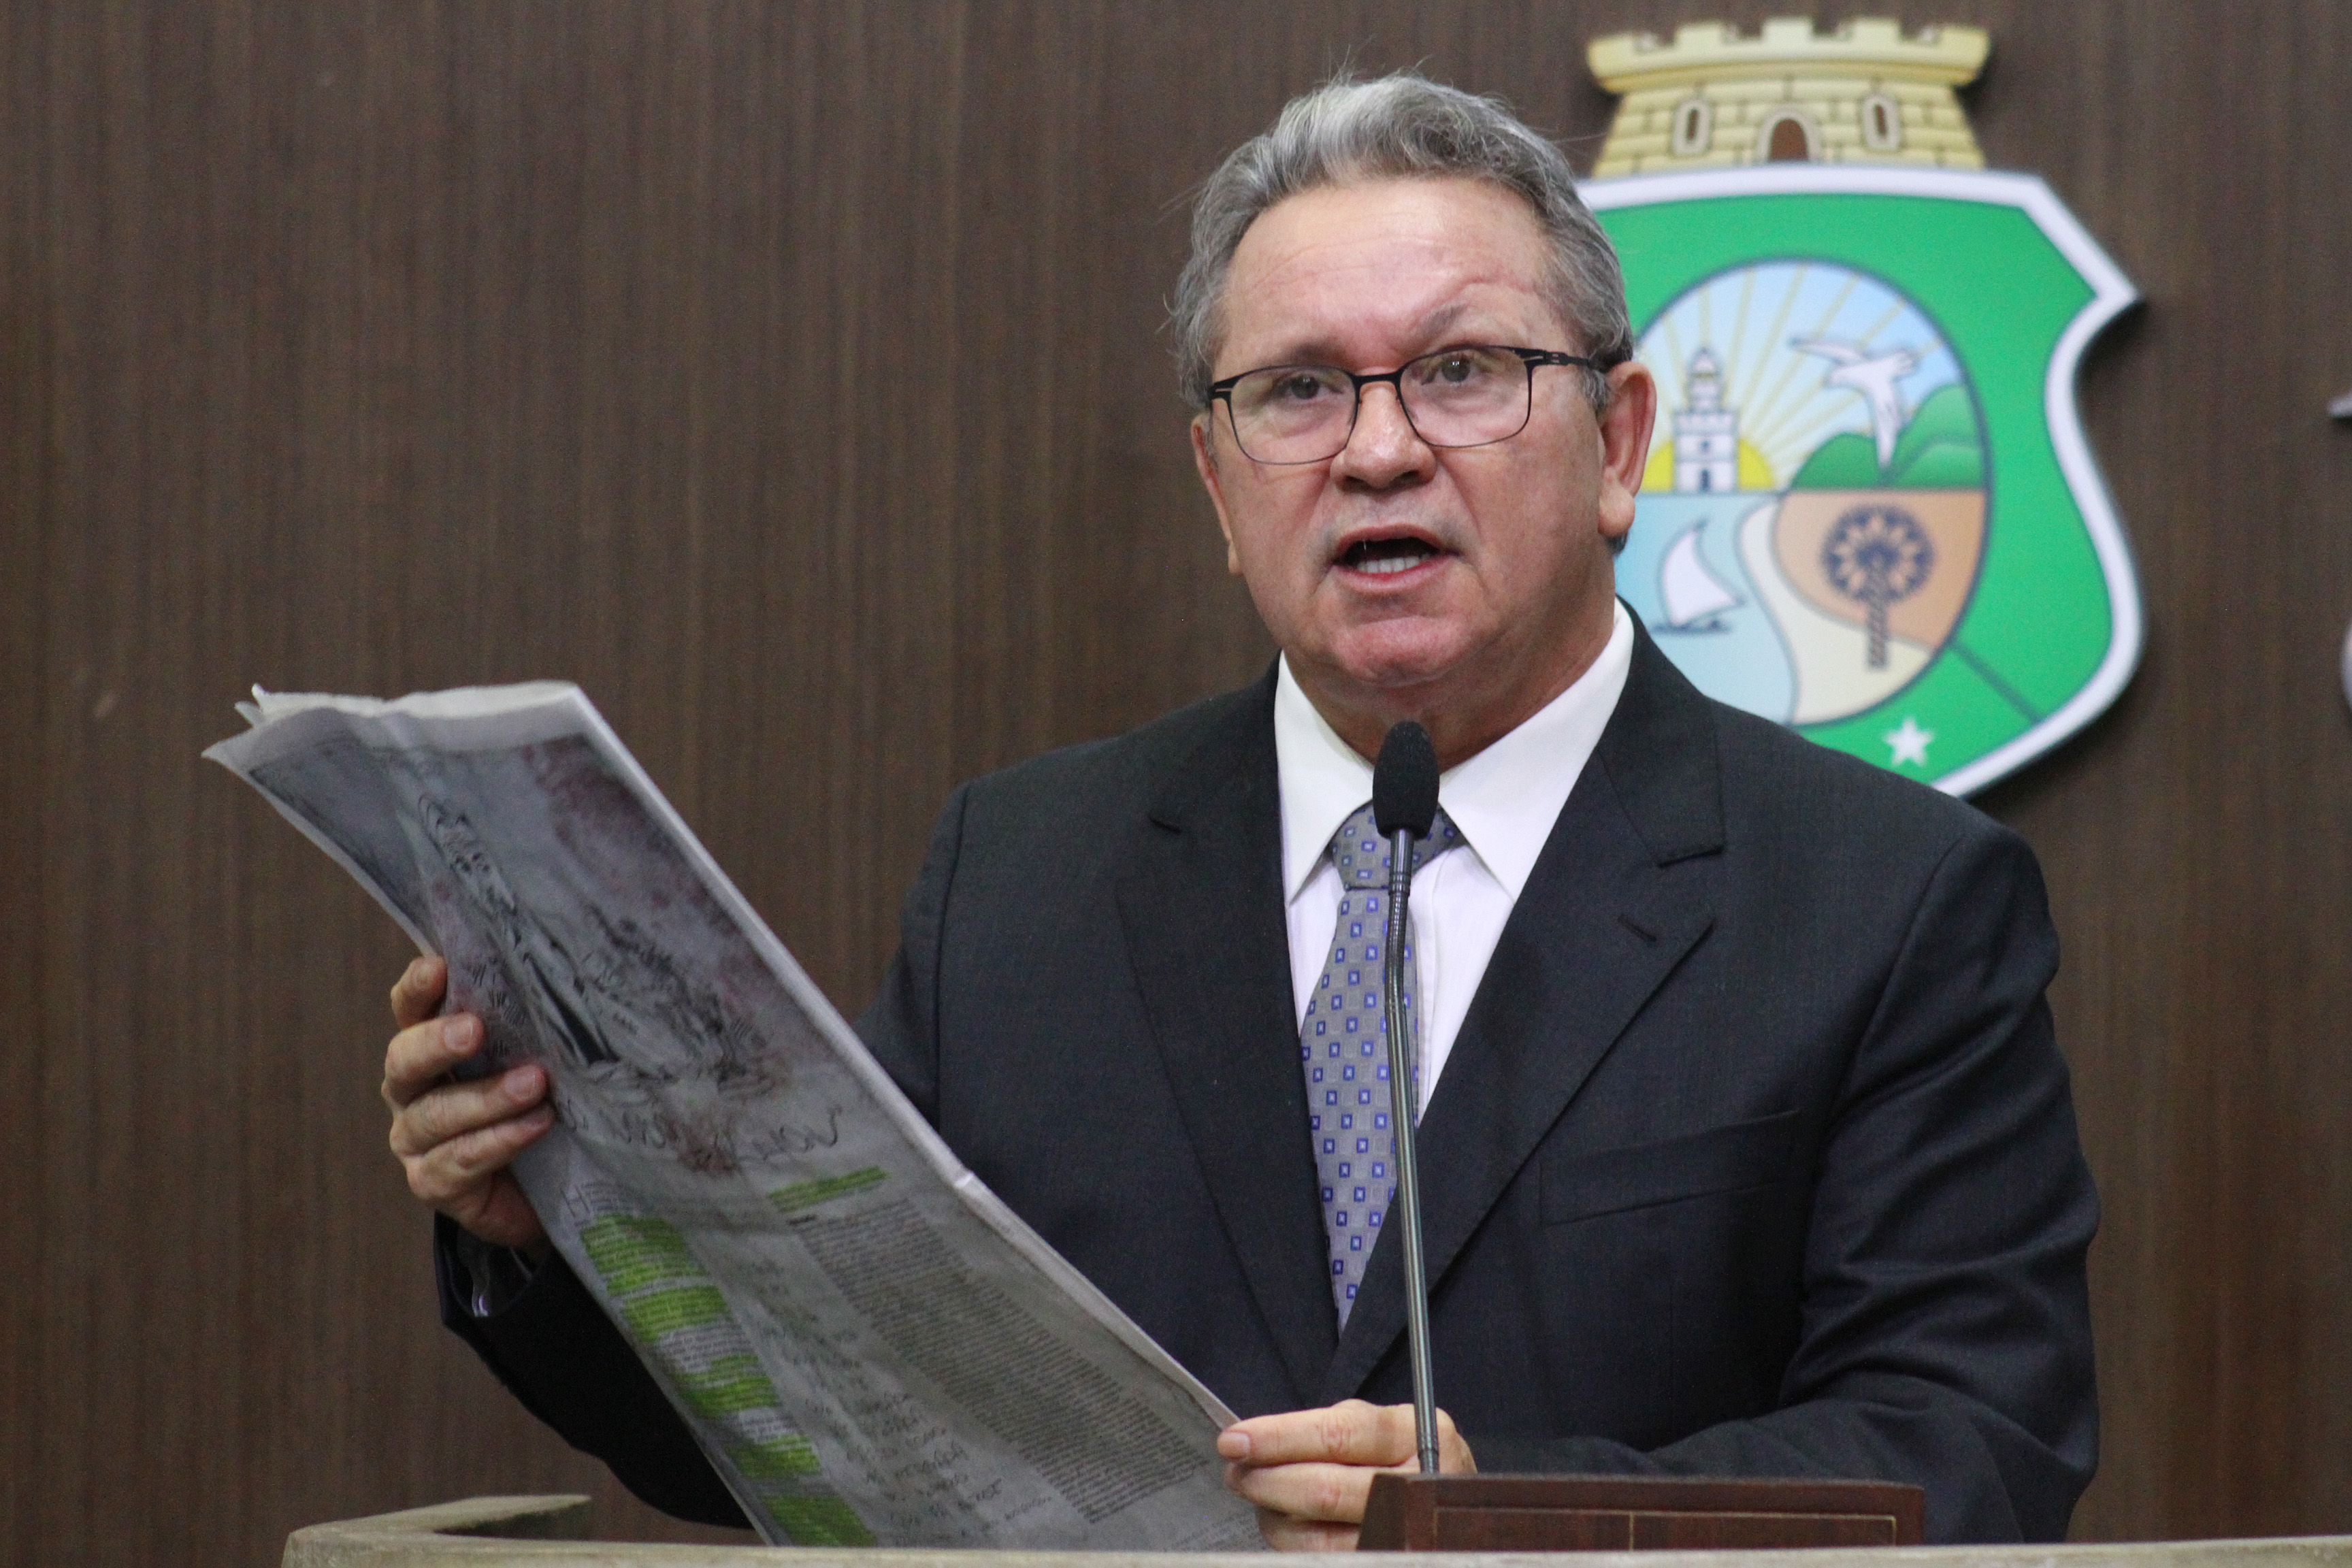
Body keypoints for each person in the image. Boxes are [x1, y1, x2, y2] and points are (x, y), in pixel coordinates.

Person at [379, 74, 2097, 1548]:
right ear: (1218, 481)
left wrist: (1506, 1518)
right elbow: (839, 1421)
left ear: (1621, 443)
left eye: (1462, 372)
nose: (1377, 452)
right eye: (1296, 391)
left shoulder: (1887, 903)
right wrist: (552, 1232)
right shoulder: (1022, 880)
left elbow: (1971, 1447)